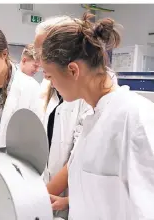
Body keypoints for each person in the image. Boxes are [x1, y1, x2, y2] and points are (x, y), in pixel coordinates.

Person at [41, 12, 154, 219]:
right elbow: (111, 195)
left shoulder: (135, 117)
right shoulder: (93, 118)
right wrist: (70, 201)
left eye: (50, 76)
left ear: (73, 70)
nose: (51, 85)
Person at [34, 16, 93, 219]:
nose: (39, 61)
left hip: (73, 196)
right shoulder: (49, 86)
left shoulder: (89, 96)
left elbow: (76, 159)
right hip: (50, 191)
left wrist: (39, 199)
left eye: (43, 52)